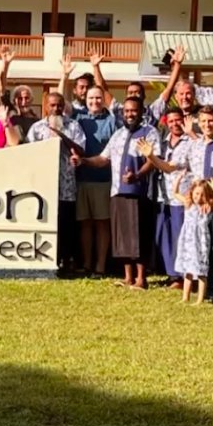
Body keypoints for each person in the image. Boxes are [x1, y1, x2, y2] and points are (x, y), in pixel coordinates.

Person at [139, 105, 213, 305]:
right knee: (201, 247)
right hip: (196, 209)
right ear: (198, 123)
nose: (206, 125)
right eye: (203, 121)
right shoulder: (194, 145)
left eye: (210, 120)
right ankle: (207, 290)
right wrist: (151, 156)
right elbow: (170, 167)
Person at [75, 97, 159, 288]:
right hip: (117, 191)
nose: (130, 114)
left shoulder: (149, 132)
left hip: (139, 192)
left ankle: (141, 279)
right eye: (127, 111)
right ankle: (128, 277)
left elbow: (153, 160)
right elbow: (103, 159)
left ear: (141, 112)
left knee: (139, 235)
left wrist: (137, 176)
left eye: (133, 111)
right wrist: (84, 161)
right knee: (122, 235)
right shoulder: (119, 134)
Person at [27, 92, 87, 272]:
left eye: (59, 105)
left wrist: (62, 136)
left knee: (67, 224)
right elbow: (30, 153)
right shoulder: (37, 128)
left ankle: (66, 259)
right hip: (44, 185)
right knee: (48, 221)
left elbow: (81, 149)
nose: (56, 109)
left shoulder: (73, 126)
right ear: (46, 106)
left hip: (66, 184)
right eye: (52, 105)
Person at [75, 86, 116, 276]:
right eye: (91, 98)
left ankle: (100, 265)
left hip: (103, 179)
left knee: (101, 223)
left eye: (98, 98)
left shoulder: (112, 120)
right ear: (85, 99)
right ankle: (87, 264)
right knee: (85, 223)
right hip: (81, 178)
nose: (94, 101)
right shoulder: (79, 118)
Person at [173, 176, 213, 305]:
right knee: (188, 270)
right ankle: (185, 297)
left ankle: (200, 299)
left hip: (201, 242)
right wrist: (179, 178)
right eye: (197, 193)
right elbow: (174, 193)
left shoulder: (208, 207)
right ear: (192, 193)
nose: (199, 197)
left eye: (202, 194)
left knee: (201, 270)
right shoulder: (188, 204)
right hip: (188, 240)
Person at [153, 107, 190, 288]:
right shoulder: (164, 141)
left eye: (178, 120)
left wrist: (150, 157)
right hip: (163, 195)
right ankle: (172, 275)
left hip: (181, 197)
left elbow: (169, 167)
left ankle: (184, 276)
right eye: (171, 121)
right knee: (164, 236)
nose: (175, 124)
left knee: (179, 236)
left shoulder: (189, 141)